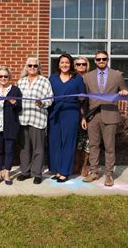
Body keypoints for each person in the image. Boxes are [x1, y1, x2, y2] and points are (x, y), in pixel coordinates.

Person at [82, 51, 128, 186]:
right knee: (93, 145)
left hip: (110, 114)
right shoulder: (88, 77)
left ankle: (109, 174)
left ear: (107, 60)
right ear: (95, 61)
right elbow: (84, 99)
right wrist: (83, 116)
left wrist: (125, 93)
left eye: (104, 59)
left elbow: (126, 92)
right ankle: (94, 172)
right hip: (93, 115)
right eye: (98, 59)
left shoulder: (117, 75)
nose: (101, 61)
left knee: (109, 147)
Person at [48, 54, 86, 183]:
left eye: (67, 62)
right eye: (62, 62)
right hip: (54, 112)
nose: (64, 65)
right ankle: (57, 169)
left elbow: (82, 98)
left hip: (71, 112)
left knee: (68, 142)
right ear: (58, 64)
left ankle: (64, 171)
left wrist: (81, 97)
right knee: (55, 141)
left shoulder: (77, 79)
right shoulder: (52, 78)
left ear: (71, 65)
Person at [16, 57, 53, 185]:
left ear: (39, 67)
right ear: (26, 67)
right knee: (24, 148)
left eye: (35, 66)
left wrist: (41, 102)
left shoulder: (44, 81)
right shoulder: (20, 82)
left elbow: (50, 100)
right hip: (23, 119)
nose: (32, 68)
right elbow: (16, 99)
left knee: (38, 148)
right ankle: (25, 172)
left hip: (38, 119)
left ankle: (37, 173)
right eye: (30, 66)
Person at [0, 67, 22, 185]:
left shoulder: (15, 90)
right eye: (1, 76)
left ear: (9, 77)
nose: (3, 78)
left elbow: (19, 108)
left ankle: (7, 174)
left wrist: (15, 103)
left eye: (5, 76)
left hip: (10, 125)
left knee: (9, 150)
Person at [73, 56, 90, 176]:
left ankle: (85, 165)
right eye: (78, 64)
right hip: (76, 112)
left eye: (83, 64)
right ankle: (76, 164)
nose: (81, 66)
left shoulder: (90, 78)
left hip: (91, 111)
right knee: (77, 139)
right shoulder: (72, 78)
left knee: (88, 140)